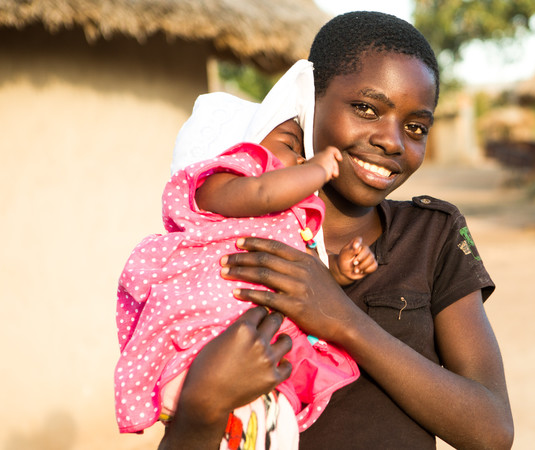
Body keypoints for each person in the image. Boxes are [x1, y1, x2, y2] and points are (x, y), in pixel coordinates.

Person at [158, 11, 514, 450]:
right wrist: (202, 404)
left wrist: (342, 320)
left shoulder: (432, 236)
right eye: (366, 108)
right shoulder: (235, 240)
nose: (393, 141)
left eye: (415, 127)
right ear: (309, 104)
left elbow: (492, 431)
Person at [115, 63, 377, 447]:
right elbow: (263, 192)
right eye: (290, 144)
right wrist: (318, 170)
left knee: (277, 433)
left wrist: (338, 269)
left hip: (264, 367)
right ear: (239, 145)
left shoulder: (287, 221)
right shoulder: (215, 185)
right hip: (209, 357)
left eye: (304, 153)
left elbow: (304, 275)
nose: (301, 159)